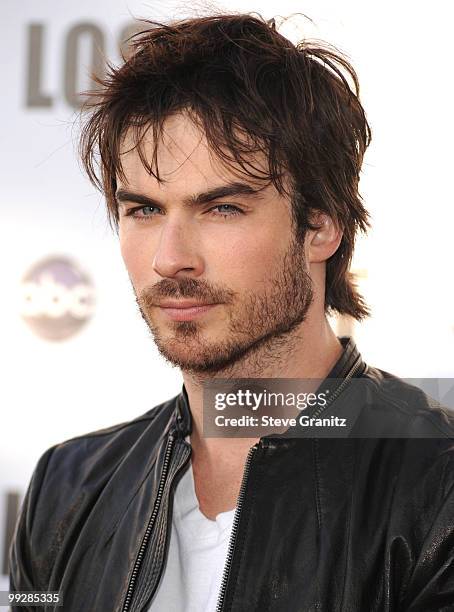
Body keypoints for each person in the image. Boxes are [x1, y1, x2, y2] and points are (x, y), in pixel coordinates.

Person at [9, 13, 454, 612]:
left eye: (221, 209)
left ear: (319, 227)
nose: (170, 259)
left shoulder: (439, 484)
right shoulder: (65, 490)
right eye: (142, 210)